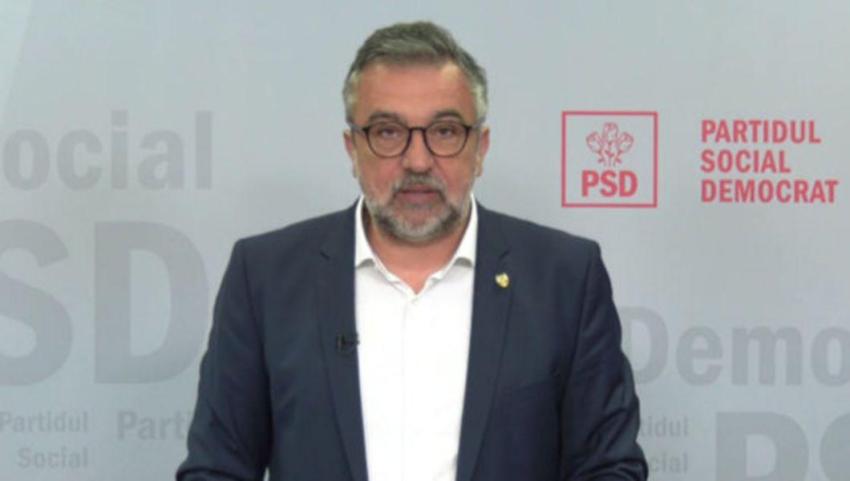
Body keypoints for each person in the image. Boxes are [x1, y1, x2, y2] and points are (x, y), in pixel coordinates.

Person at [177, 21, 647, 481]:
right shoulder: (265, 278)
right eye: (387, 132)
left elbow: (609, 466)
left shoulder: (565, 278)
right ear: (352, 149)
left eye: (444, 131)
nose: (418, 160)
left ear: (480, 148)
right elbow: (216, 468)